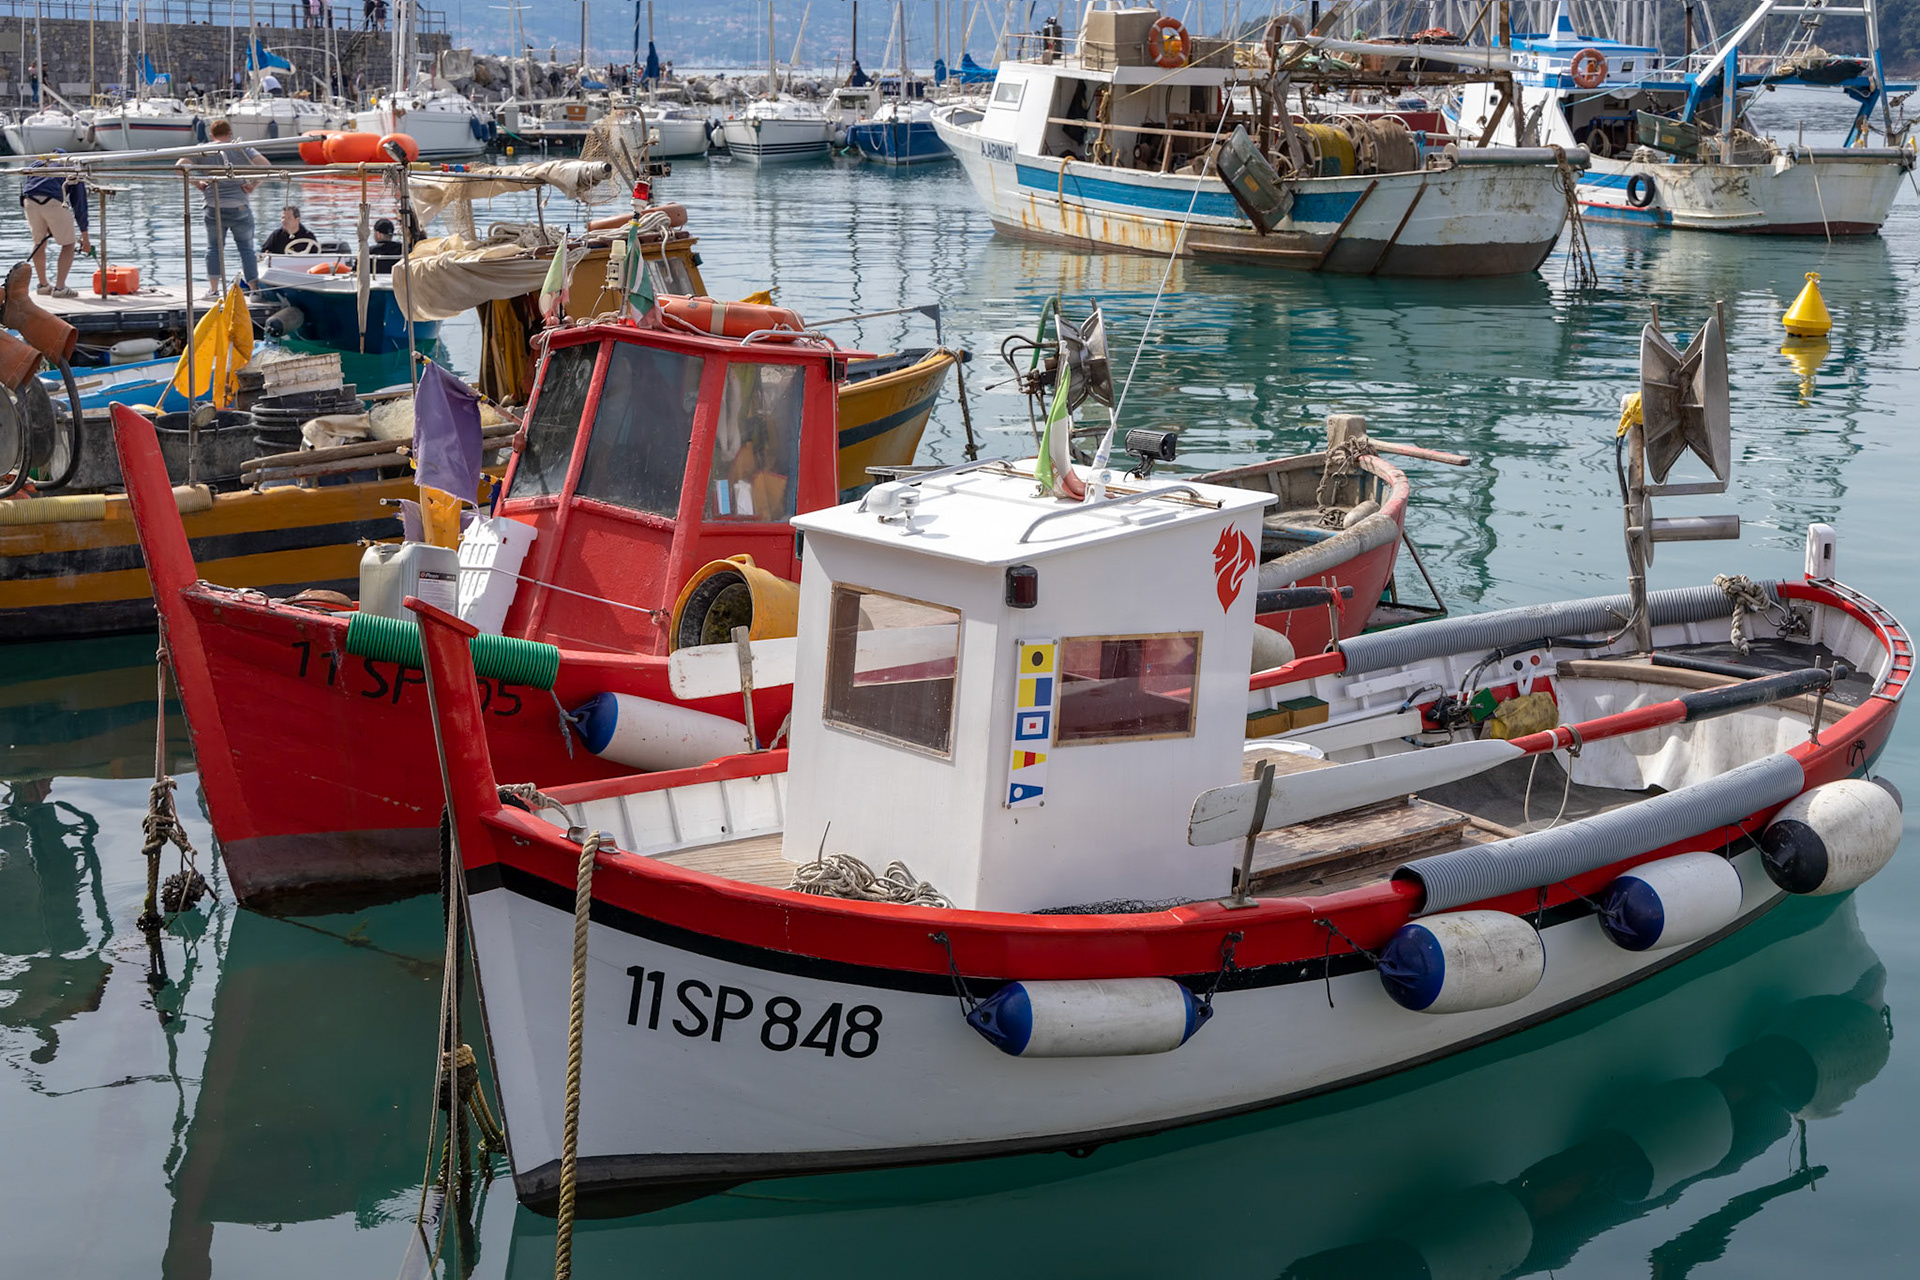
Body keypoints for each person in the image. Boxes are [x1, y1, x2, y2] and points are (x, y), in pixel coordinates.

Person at [177, 120, 269, 297]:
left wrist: (197, 184)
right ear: (230, 134)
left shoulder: (204, 149)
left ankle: (213, 290)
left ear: (212, 135)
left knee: (214, 248)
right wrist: (253, 185)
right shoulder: (243, 148)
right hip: (239, 206)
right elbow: (266, 166)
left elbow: (179, 166)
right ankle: (254, 290)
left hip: (213, 206)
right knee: (247, 249)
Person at [20, 154, 90, 299]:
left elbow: (30, 185)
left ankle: (43, 286)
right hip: (53, 201)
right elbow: (79, 204)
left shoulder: (38, 163)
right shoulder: (73, 166)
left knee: (39, 242)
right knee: (69, 244)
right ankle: (60, 288)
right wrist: (85, 238)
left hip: (29, 201)